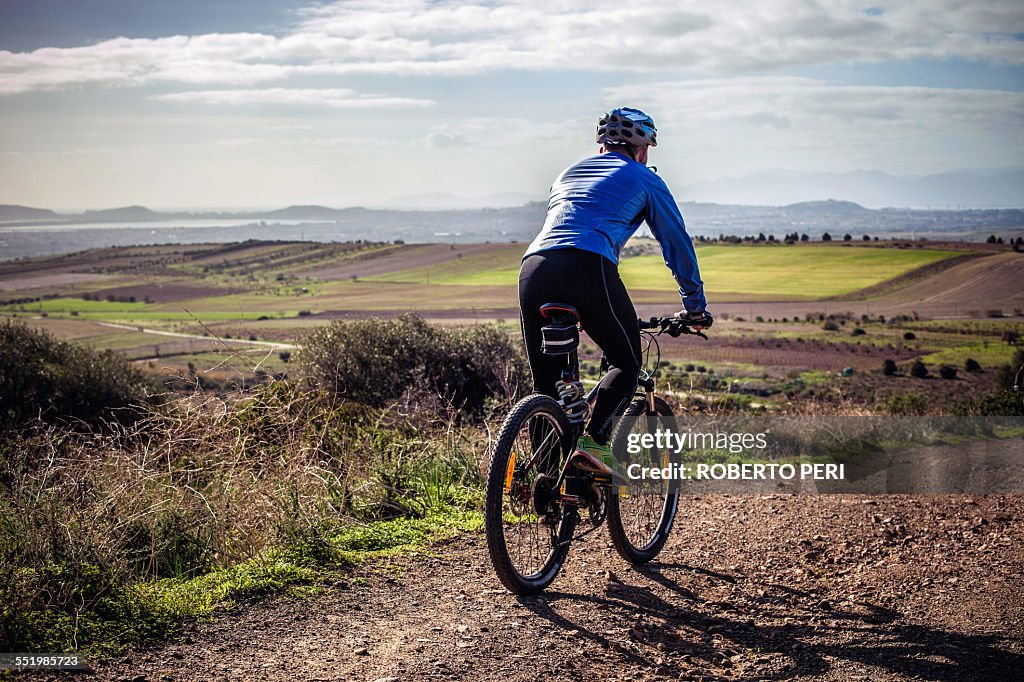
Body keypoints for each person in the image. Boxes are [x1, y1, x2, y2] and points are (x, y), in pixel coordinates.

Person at [519, 107, 711, 481]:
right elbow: (675, 243)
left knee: (545, 383)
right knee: (626, 361)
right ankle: (594, 444)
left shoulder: (568, 172)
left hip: (534, 267)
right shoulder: (644, 177)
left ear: (603, 144)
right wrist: (695, 304)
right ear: (642, 148)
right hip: (588, 267)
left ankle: (545, 483)